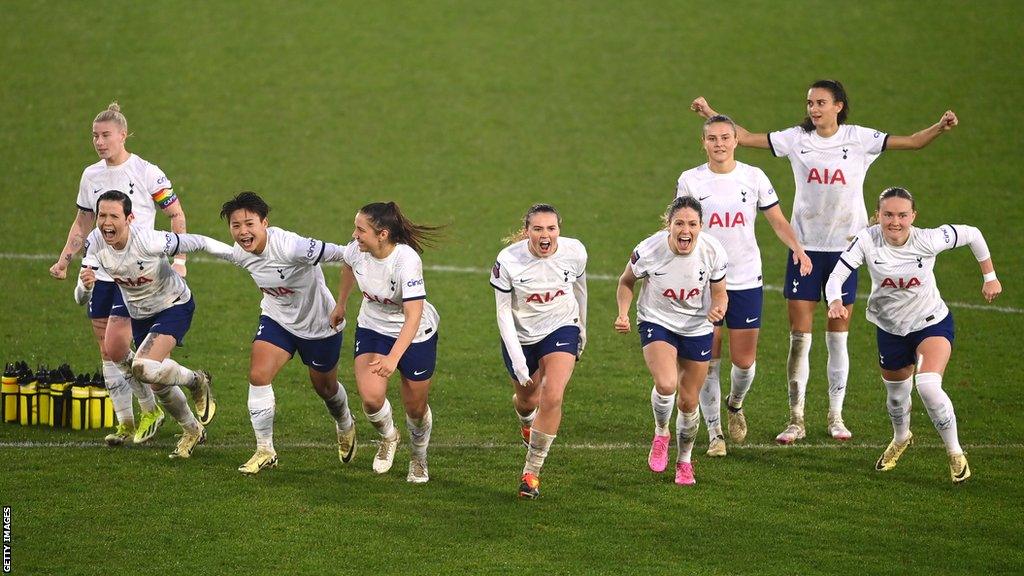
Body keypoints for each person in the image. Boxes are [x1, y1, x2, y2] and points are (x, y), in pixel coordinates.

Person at [691, 80, 959, 443]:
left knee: (838, 338)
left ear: (838, 105)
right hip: (804, 248)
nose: (813, 109)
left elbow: (911, 142)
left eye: (820, 102)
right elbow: (747, 137)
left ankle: (836, 416)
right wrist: (712, 116)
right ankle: (796, 418)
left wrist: (939, 129)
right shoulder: (796, 138)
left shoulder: (860, 138)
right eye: (810, 103)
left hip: (846, 250)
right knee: (799, 338)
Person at [825, 187, 1001, 483]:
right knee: (896, 398)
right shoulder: (867, 240)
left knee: (929, 386)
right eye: (889, 215)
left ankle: (955, 452)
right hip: (891, 329)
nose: (895, 221)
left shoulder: (928, 239)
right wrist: (835, 301)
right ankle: (901, 437)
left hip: (931, 322)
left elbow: (972, 233)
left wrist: (990, 277)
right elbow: (836, 277)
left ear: (913, 216)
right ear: (878, 215)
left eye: (902, 215)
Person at [52, 102, 202, 446]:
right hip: (101, 269)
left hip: (135, 272)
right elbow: (83, 222)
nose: (99, 142)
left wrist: (180, 260)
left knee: (119, 347)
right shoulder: (90, 175)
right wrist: (65, 260)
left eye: (106, 135)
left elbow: (176, 215)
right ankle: (127, 420)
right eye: (94, 136)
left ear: (123, 135)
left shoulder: (147, 171)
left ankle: (155, 407)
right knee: (109, 352)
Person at [677, 115, 812, 456]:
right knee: (708, 358)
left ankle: (734, 404)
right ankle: (715, 433)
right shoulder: (691, 180)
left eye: (725, 137)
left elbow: (778, 220)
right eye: (712, 138)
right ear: (703, 142)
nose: (719, 143)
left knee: (745, 361)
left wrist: (797, 248)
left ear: (736, 140)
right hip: (705, 280)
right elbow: (683, 227)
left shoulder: (753, 177)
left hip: (746, 277)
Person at [195, 192, 358, 475]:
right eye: (236, 226)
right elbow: (206, 244)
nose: (243, 232)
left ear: (264, 223)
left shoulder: (293, 247)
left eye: (249, 224)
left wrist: (344, 300)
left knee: (326, 389)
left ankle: (345, 423)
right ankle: (265, 449)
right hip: (277, 320)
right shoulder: (240, 254)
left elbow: (344, 254)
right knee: (258, 375)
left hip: (319, 326)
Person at [79, 191, 219, 459]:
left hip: (168, 300)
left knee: (144, 368)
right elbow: (79, 295)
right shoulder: (96, 239)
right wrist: (83, 285)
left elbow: (189, 233)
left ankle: (194, 381)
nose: (107, 221)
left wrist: (237, 255)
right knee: (148, 374)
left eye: (113, 216)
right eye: (102, 215)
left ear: (129, 217)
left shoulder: (147, 233)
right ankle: (190, 429)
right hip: (135, 302)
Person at [615, 196, 728, 486]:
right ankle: (661, 432)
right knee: (666, 384)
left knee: (689, 402)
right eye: (679, 223)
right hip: (657, 321)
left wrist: (719, 307)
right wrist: (623, 314)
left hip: (696, 326)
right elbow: (626, 280)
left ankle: (684, 462)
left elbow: (720, 292)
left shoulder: (713, 251)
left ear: (701, 226)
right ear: (669, 225)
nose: (685, 230)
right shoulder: (649, 250)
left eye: (692, 224)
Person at [328, 202, 441, 483]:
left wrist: (393, 358)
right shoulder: (357, 250)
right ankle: (389, 437)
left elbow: (413, 315)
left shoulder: (406, 260)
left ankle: (418, 458)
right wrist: (341, 303)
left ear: (383, 234)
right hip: (373, 328)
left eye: (360, 230)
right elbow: (347, 266)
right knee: (370, 398)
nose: (354, 235)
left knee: (415, 408)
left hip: (415, 335)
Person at [490, 204, 588, 499]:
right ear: (527, 231)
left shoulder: (575, 252)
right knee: (526, 399)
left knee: (553, 393)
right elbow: (503, 312)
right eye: (538, 229)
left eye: (551, 228)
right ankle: (525, 422)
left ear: (559, 229)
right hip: (521, 335)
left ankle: (531, 472)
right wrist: (518, 360)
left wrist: (583, 328)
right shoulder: (508, 261)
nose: (546, 235)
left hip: (561, 327)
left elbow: (580, 289)